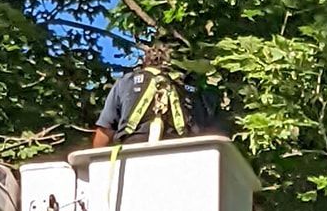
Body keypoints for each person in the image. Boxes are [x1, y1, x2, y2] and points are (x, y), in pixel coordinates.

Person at [92, 40, 226, 148]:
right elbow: (217, 138)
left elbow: (105, 132)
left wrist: (95, 164)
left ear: (146, 62)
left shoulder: (126, 82)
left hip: (133, 152)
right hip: (183, 153)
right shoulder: (199, 91)